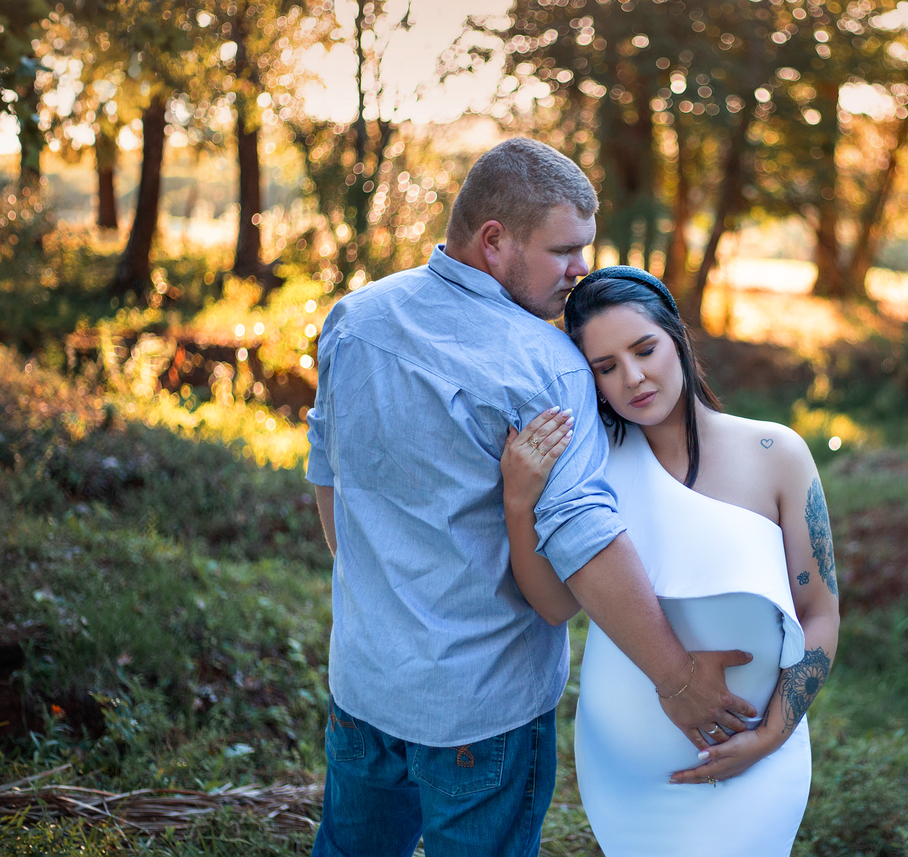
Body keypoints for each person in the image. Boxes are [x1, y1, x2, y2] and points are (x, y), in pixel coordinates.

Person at [304, 140, 756, 857]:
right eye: (564, 250)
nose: (581, 270)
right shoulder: (544, 364)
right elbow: (584, 539)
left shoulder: (355, 318)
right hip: (482, 713)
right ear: (494, 242)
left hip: (364, 686)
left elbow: (330, 487)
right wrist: (677, 680)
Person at [501, 266, 841, 856]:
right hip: (628, 781)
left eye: (644, 349)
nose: (633, 378)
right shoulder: (593, 471)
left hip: (757, 764)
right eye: (605, 368)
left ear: (677, 337)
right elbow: (553, 606)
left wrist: (770, 737)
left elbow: (820, 614)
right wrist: (517, 502)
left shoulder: (776, 453)